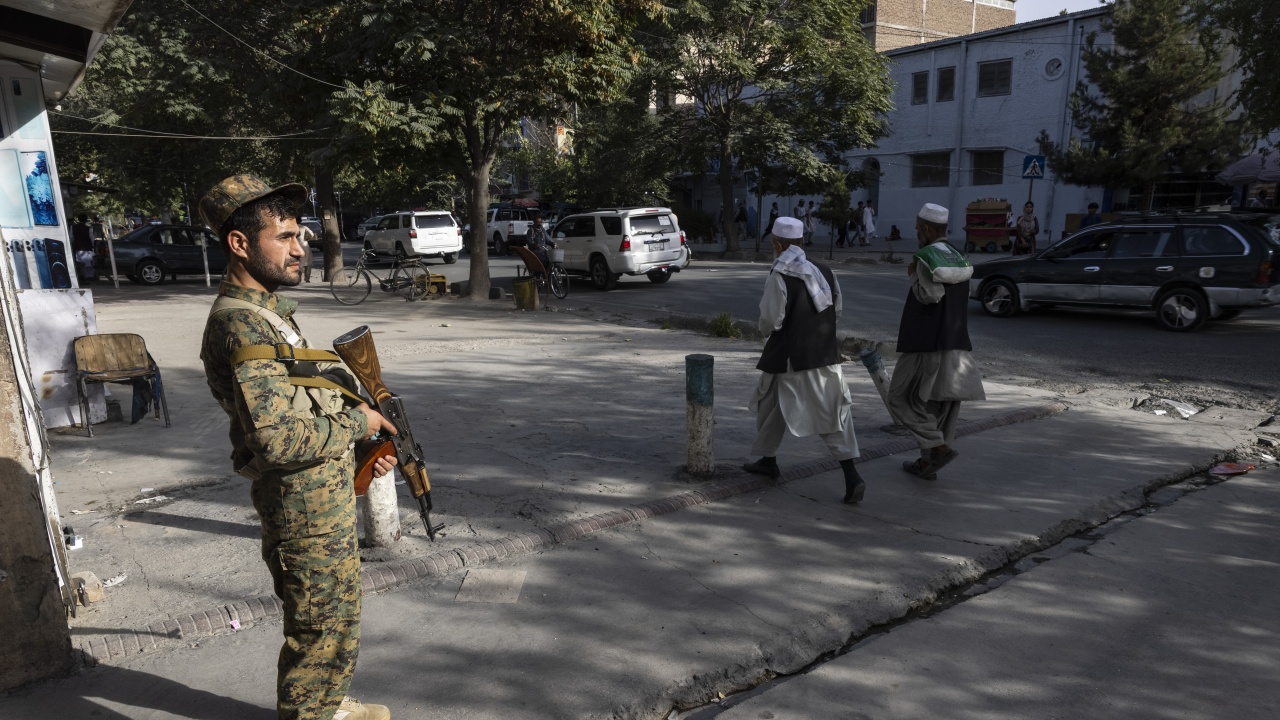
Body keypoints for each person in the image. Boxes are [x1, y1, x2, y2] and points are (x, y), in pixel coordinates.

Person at [197, 174, 397, 720]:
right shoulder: (240, 324)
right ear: (239, 244)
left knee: (334, 623)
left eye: (299, 234)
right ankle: (311, 712)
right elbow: (278, 439)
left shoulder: (268, 310)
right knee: (317, 630)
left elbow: (298, 404)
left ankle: (327, 707)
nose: (298, 247)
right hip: (301, 507)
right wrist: (357, 425)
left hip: (321, 497)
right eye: (283, 236)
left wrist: (358, 444)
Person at [742, 216, 866, 504]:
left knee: (795, 411)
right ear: (801, 241)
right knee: (780, 406)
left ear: (776, 243)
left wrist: (766, 332)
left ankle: (851, 477)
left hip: (791, 358)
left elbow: (771, 320)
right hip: (823, 354)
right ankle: (769, 461)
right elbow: (836, 311)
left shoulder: (780, 273)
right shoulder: (825, 270)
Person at [888, 203, 985, 481]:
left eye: (918, 228)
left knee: (899, 397)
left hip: (925, 342)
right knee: (940, 406)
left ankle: (937, 446)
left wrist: (911, 274)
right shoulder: (958, 255)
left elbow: (930, 296)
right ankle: (927, 462)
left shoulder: (925, 257)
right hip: (955, 340)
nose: (917, 232)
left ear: (927, 229)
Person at [71, 214, 95, 284]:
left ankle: (85, 277)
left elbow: (71, 238)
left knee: (82, 264)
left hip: (78, 248)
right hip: (88, 247)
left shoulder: (73, 227)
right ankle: (90, 276)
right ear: (86, 220)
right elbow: (92, 239)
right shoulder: (89, 228)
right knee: (91, 263)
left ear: (78, 219)